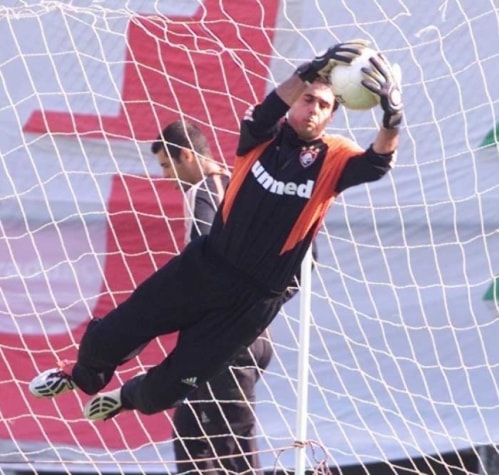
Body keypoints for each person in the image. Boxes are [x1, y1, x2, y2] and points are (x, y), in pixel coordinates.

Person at [29, 40, 402, 427]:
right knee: (107, 338)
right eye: (308, 99)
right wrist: (311, 70)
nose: (313, 109)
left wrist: (392, 117)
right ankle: (78, 377)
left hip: (251, 303)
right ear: (295, 102)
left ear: (332, 116)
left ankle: (126, 397)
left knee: (165, 392)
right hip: (207, 266)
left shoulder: (333, 157)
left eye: (324, 106)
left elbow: (376, 164)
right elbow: (268, 109)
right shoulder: (261, 136)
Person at [153, 120, 273, 474]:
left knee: (232, 444)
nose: (165, 177)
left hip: (229, 345)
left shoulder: (203, 192)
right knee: (190, 432)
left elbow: (209, 259)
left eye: (165, 165)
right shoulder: (241, 185)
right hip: (249, 339)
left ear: (186, 156)